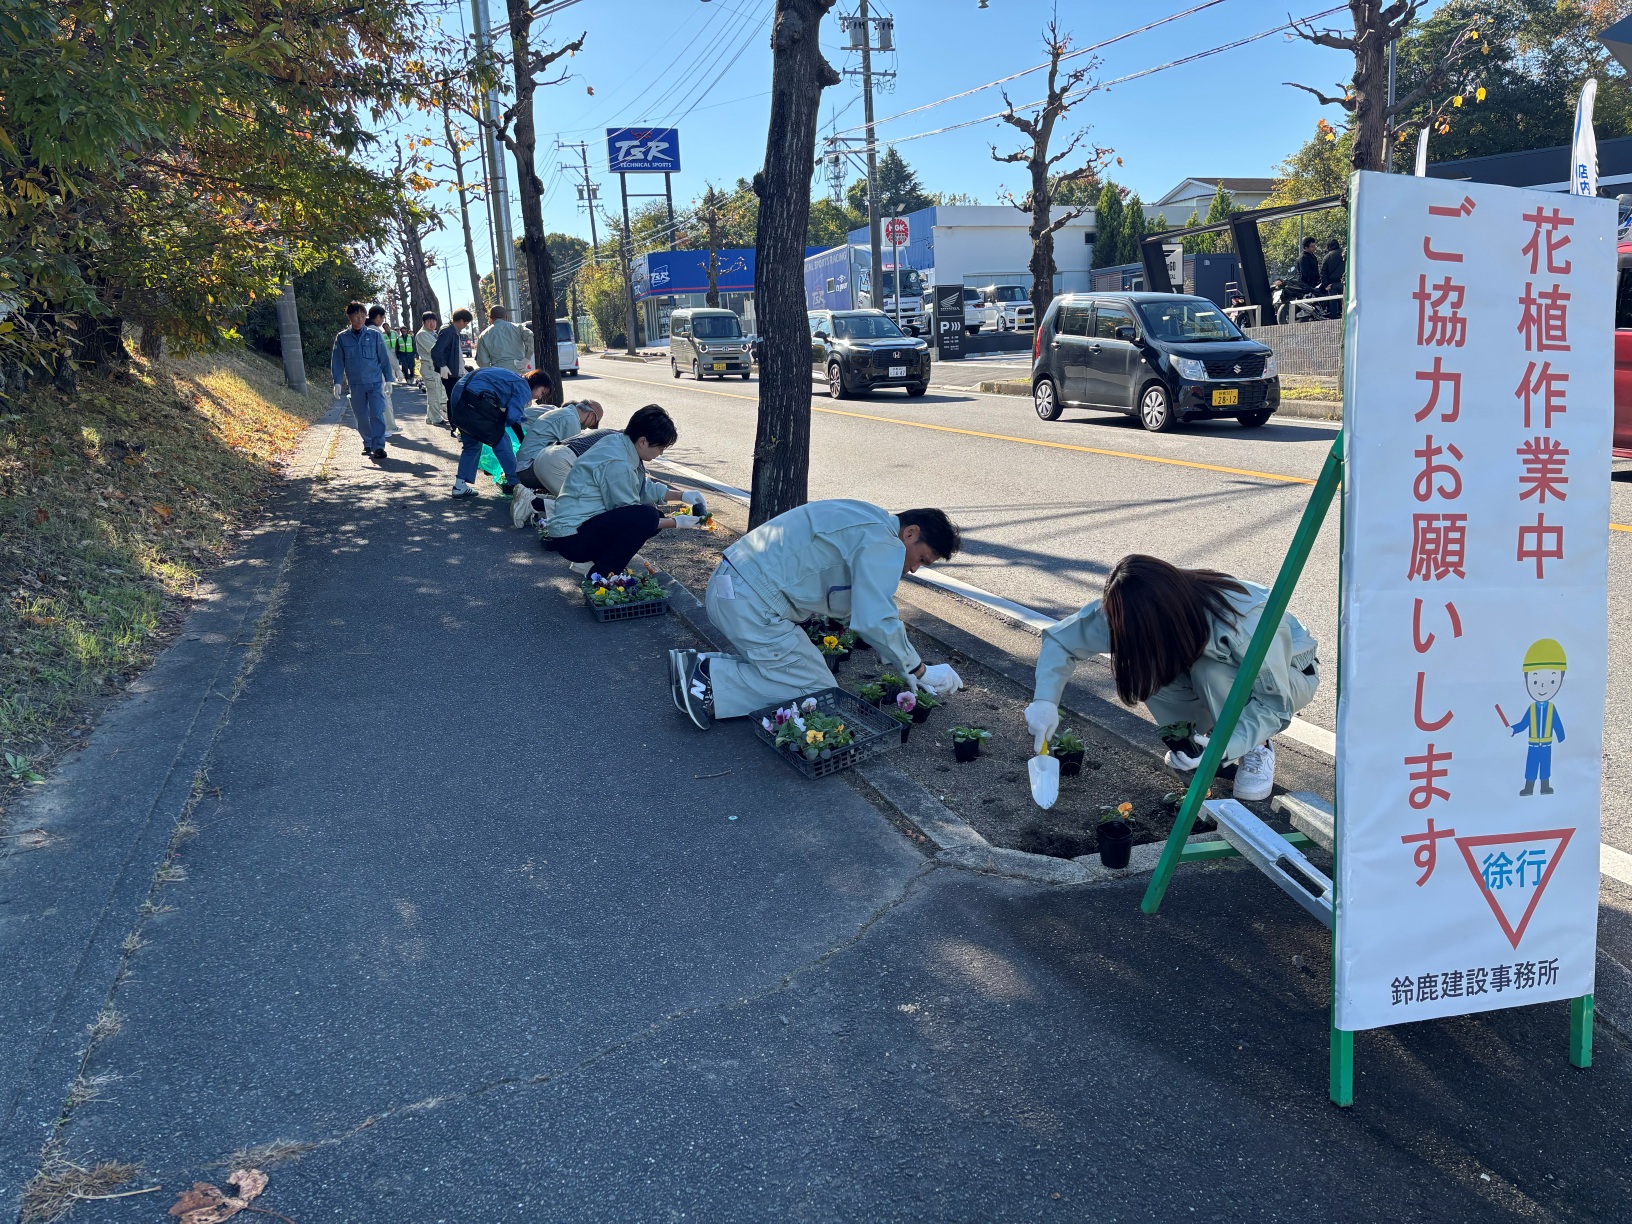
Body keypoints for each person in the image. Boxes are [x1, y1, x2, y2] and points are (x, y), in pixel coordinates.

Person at [1023, 555, 1319, 803]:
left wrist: (1223, 747)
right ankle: (1196, 741)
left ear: (1170, 619)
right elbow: (1061, 641)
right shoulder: (1129, 607)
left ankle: (1256, 746)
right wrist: (1045, 701)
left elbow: (1274, 703)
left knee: (1210, 672)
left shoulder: (1244, 622)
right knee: (1144, 667)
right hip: (1206, 663)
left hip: (1288, 675)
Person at [670, 501, 965, 732]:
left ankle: (700, 669)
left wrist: (904, 664)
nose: (914, 569)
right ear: (910, 533)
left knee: (794, 672)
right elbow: (875, 616)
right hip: (750, 604)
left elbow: (865, 604)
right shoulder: (885, 543)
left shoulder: (867, 516)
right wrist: (919, 669)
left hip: (734, 586)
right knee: (817, 691)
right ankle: (709, 679)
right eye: (921, 558)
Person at [544, 404, 696, 577]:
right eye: (660, 448)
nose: (660, 454)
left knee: (653, 517)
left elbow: (639, 488)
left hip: (576, 528)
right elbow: (630, 513)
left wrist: (682, 495)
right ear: (643, 441)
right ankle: (601, 577)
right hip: (572, 538)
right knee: (648, 517)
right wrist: (678, 522)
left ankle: (598, 565)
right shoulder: (618, 463)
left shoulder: (618, 442)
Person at [446, 366, 553, 498]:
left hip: (459, 395)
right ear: (537, 384)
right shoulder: (523, 387)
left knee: (472, 444)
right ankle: (516, 485)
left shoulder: (513, 377)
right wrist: (522, 440)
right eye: (542, 392)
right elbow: (512, 417)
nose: (539, 397)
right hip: (473, 398)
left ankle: (459, 486)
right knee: (501, 440)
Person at [510, 399, 604, 527]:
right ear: (591, 415)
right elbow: (574, 460)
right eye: (592, 424)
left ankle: (534, 499)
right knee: (580, 495)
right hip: (530, 469)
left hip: (525, 466)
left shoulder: (563, 412)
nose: (587, 428)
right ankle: (532, 502)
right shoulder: (571, 421)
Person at [330, 300, 397, 462]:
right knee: (361, 416)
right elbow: (337, 361)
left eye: (362, 316)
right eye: (356, 316)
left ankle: (378, 446)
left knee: (377, 413)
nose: (359, 319)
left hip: (375, 382)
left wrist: (389, 379)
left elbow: (384, 359)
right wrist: (337, 381)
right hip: (356, 384)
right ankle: (368, 442)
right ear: (349, 317)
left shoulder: (374, 335)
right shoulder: (342, 338)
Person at [367, 307, 401, 436]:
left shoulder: (362, 329)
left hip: (366, 372)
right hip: (377, 370)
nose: (382, 321)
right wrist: (397, 369)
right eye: (382, 318)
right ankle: (385, 428)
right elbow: (385, 354)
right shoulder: (375, 331)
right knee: (383, 399)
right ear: (378, 317)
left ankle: (386, 427)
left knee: (373, 401)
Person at [475, 304, 533, 374]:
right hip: (519, 371)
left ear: (490, 319)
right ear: (506, 317)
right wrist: (527, 359)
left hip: (498, 373)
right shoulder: (518, 328)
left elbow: (483, 363)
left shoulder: (483, 335)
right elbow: (530, 336)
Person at [432, 309, 472, 405]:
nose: (466, 326)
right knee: (453, 400)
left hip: (454, 372)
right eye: (466, 323)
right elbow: (436, 350)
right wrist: (442, 365)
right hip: (450, 373)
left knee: (456, 400)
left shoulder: (454, 331)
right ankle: (452, 415)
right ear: (461, 321)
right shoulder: (448, 331)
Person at [415, 313, 447, 426]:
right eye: (429, 321)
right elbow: (435, 350)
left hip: (433, 368)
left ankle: (430, 417)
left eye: (434, 321)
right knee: (434, 395)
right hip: (429, 367)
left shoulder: (432, 333)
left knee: (434, 393)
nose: (432, 323)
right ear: (423, 322)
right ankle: (436, 418)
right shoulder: (422, 334)